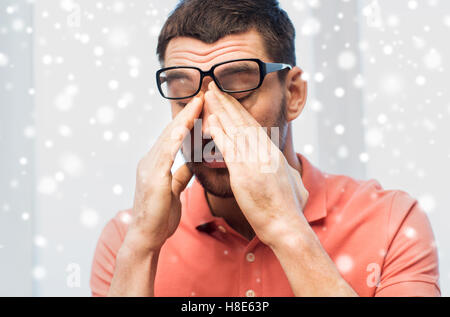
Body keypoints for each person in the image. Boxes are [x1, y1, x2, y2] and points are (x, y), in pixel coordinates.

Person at [90, 0, 440, 297]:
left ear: (293, 94)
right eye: (184, 91)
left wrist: (287, 228)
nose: (209, 126)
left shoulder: (391, 222)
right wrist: (140, 251)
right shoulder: (128, 238)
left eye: (239, 89)